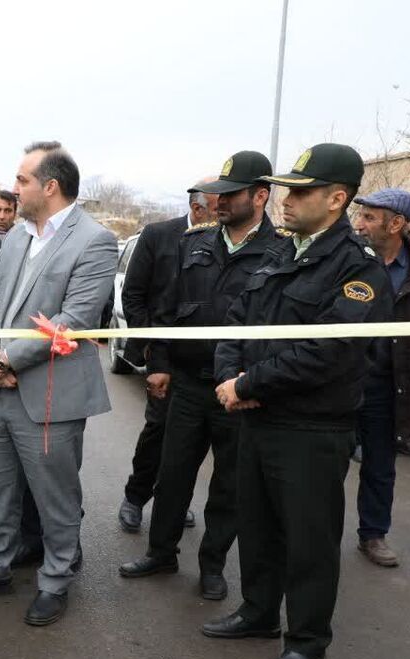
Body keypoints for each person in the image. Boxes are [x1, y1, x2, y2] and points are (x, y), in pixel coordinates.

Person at [205, 143, 392, 659]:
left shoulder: (358, 268)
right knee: (257, 526)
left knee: (309, 540)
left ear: (337, 199)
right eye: (287, 189)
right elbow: (236, 321)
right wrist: (229, 377)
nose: (287, 199)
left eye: (301, 191)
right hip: (256, 419)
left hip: (311, 428)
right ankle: (258, 613)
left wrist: (248, 383)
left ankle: (308, 641)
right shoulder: (279, 254)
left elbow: (327, 351)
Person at [0, 141, 117, 627]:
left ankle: (55, 580)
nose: (14, 188)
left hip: (50, 397)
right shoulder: (17, 237)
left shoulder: (95, 240)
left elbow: (75, 318)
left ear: (51, 186)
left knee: (55, 498)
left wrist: (7, 357)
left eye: (22, 180)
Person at [118, 151, 281, 600]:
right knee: (173, 475)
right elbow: (169, 313)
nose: (219, 202)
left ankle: (212, 565)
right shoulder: (196, 244)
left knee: (229, 483)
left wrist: (249, 382)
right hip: (188, 382)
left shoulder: (280, 251)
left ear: (261, 196)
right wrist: (161, 365)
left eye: (231, 195)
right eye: (218, 194)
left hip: (238, 391)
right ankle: (160, 552)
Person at [350, 189, 410, 567]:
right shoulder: (350, 263)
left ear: (397, 224)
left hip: (393, 385)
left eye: (371, 218)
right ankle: (316, 535)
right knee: (326, 464)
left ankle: (373, 534)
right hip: (342, 382)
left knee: (380, 465)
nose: (361, 224)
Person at [116, 180, 215, 533]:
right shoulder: (158, 235)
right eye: (218, 207)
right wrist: (151, 351)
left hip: (202, 362)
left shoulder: (223, 240)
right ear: (198, 208)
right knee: (158, 430)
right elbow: (135, 295)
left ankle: (174, 500)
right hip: (163, 354)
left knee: (191, 441)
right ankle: (135, 497)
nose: (223, 216)